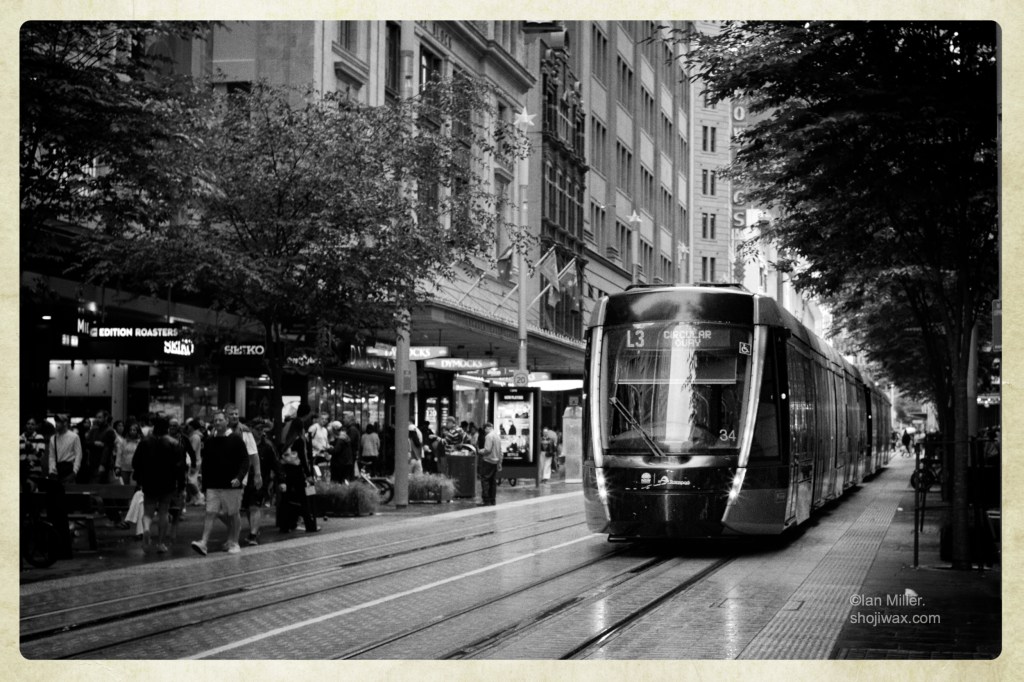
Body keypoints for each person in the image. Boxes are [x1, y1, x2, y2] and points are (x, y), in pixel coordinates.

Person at [191, 410, 250, 556]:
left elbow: (245, 460)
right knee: (210, 513)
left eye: (220, 420)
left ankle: (234, 542)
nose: (217, 423)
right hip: (213, 485)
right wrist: (204, 485)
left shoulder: (236, 439)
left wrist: (239, 477)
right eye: (215, 420)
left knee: (233, 513)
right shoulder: (210, 441)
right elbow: (206, 464)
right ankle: (204, 542)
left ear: (226, 421)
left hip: (231, 485)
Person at [132, 416, 187, 554]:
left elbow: (136, 462)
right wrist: (181, 486)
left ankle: (146, 529)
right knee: (164, 512)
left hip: (149, 481)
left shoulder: (144, 442)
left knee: (148, 511)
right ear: (167, 428)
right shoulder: (174, 444)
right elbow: (180, 467)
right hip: (167, 482)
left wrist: (139, 479)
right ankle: (161, 543)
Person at [277, 417, 320, 534]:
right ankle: (309, 525)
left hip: (287, 472)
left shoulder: (288, 439)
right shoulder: (299, 440)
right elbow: (303, 459)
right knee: (303, 499)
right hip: (297, 472)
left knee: (286, 500)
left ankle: (284, 526)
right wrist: (308, 475)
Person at [241, 419, 279, 546]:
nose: (260, 432)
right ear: (251, 429)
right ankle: (254, 530)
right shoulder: (244, 443)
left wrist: (280, 480)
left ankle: (253, 534)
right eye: (257, 429)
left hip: (260, 480)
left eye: (262, 430)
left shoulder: (267, 446)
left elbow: (275, 463)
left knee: (254, 506)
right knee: (248, 507)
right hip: (245, 479)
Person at [47, 413, 83, 485]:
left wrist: (74, 472)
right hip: (57, 471)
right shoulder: (53, 438)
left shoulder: (74, 437)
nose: (56, 424)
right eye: (56, 421)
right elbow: (52, 456)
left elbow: (78, 455)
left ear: (65, 423)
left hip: (69, 470)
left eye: (59, 422)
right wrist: (51, 470)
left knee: (69, 493)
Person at [83, 410, 117, 483]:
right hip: (92, 462)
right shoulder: (93, 429)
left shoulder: (109, 431)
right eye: (97, 417)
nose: (98, 419)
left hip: (104, 463)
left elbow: (107, 449)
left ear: (106, 418)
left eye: (100, 417)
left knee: (100, 485)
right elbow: (86, 443)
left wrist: (102, 464)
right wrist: (94, 443)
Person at [478, 422, 503, 506]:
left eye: (485, 429)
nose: (485, 431)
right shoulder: (497, 436)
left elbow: (487, 449)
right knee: (493, 482)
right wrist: (500, 462)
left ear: (488, 428)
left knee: (485, 480)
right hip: (495, 462)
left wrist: (480, 451)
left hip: (488, 461)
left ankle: (486, 500)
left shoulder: (489, 436)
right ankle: (493, 500)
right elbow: (500, 451)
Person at [20, 417, 47, 482]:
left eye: (32, 424)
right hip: (20, 470)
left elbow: (40, 455)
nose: (30, 426)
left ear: (36, 426)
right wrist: (24, 446)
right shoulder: (19, 438)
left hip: (34, 470)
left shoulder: (39, 437)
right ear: (25, 425)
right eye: (28, 424)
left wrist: (32, 448)